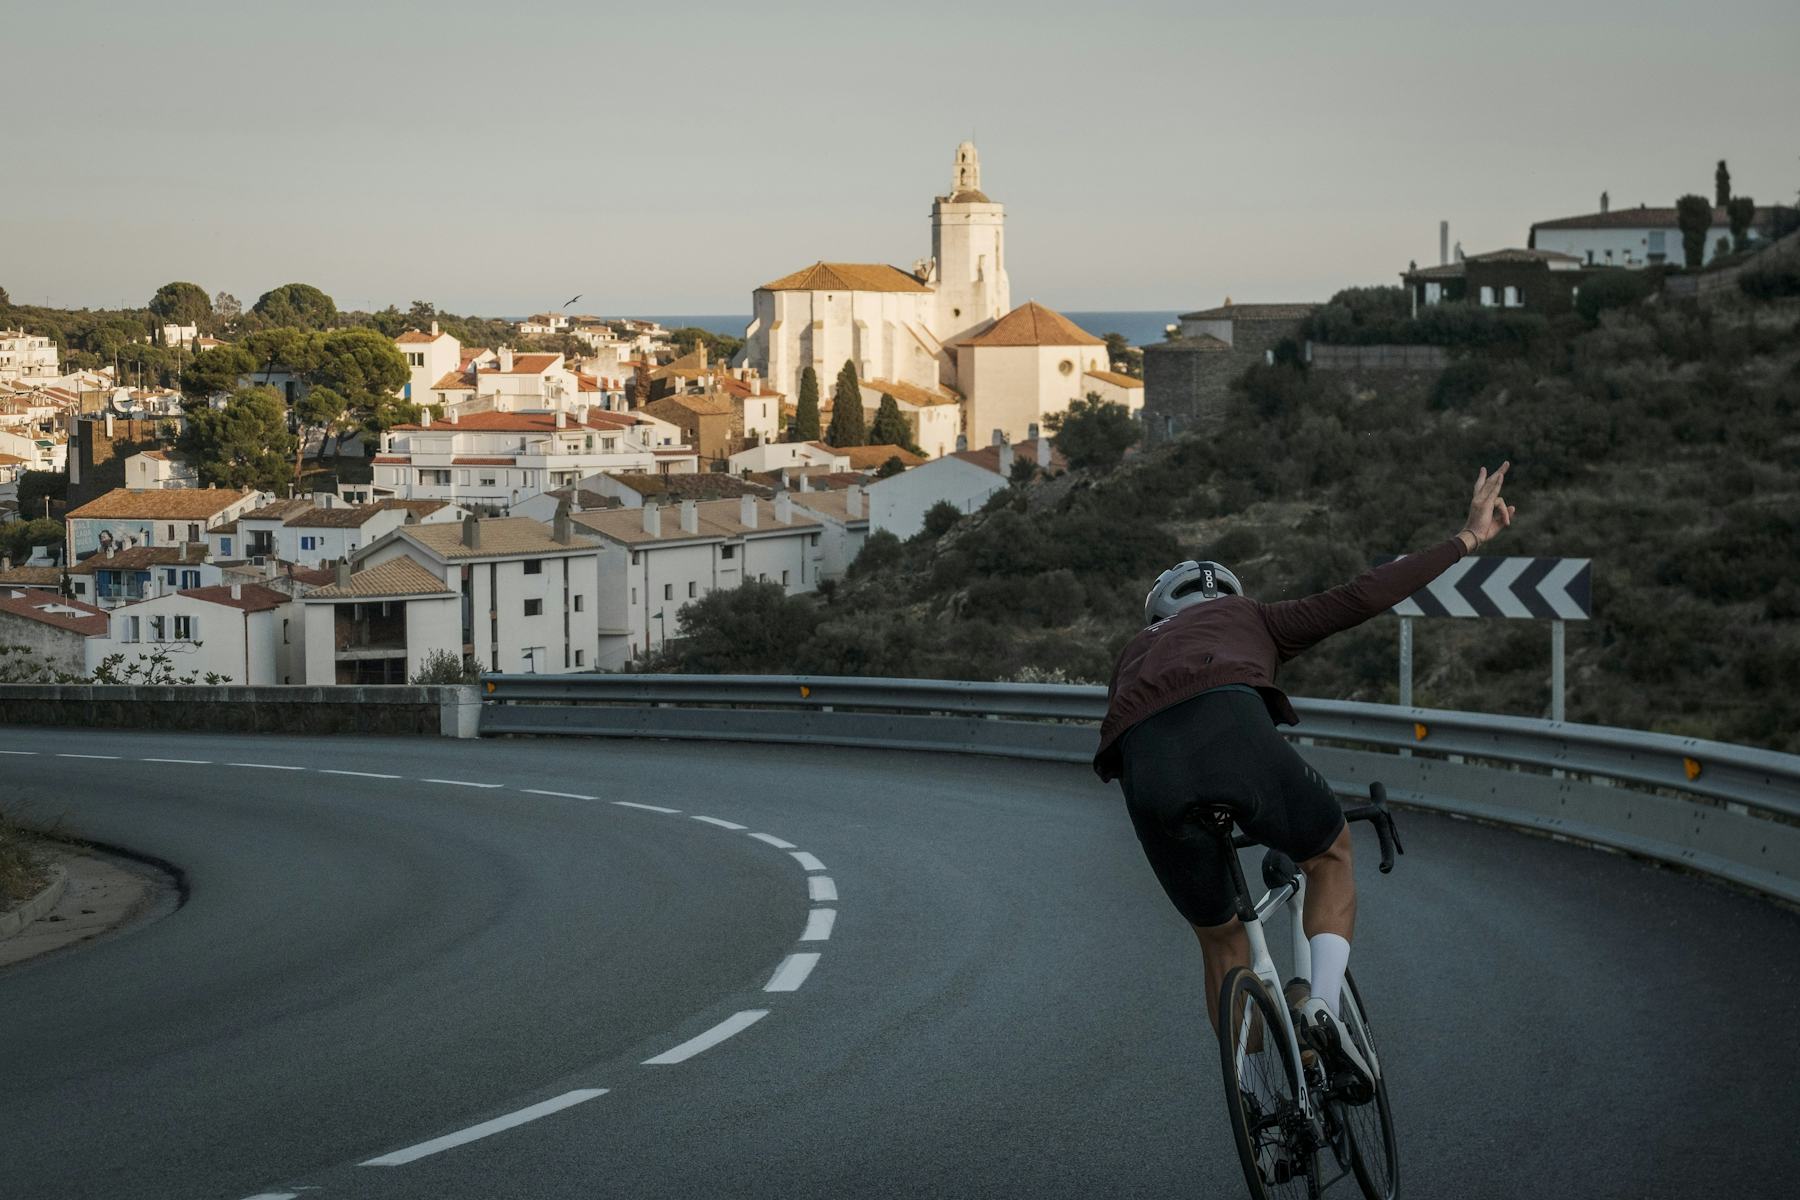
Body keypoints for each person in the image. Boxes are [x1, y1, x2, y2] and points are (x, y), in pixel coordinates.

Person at [1094, 463, 1516, 1086]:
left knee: (1220, 943)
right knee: (1330, 854)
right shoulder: (1253, 618)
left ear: (1157, 614)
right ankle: (1322, 1006)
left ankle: (1254, 1092)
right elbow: (1365, 594)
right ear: (1231, 599)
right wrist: (1468, 538)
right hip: (1232, 731)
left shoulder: (1134, 654)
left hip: (1147, 769)